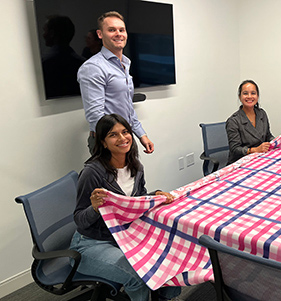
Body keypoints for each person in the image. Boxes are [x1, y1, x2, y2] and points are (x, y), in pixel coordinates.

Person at [70, 114, 181, 301]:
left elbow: (135, 201)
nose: (122, 138)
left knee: (169, 258)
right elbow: (79, 219)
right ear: (103, 142)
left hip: (123, 237)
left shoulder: (135, 167)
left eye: (125, 132)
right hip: (91, 242)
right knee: (137, 276)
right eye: (113, 135)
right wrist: (94, 208)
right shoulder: (92, 173)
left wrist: (154, 195)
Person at [77, 11, 154, 155]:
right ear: (100, 34)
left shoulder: (125, 63)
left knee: (134, 178)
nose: (118, 34)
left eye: (121, 30)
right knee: (113, 179)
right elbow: (95, 116)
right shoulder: (93, 68)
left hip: (125, 138)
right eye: (112, 30)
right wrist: (118, 140)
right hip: (107, 142)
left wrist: (141, 135)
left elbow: (127, 108)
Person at [226, 79, 281, 164]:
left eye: (253, 93)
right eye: (245, 93)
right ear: (240, 97)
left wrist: (278, 141)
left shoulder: (262, 113)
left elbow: (268, 136)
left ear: (257, 96)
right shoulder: (233, 121)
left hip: (260, 159)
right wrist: (254, 150)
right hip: (241, 162)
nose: (249, 96)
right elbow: (235, 149)